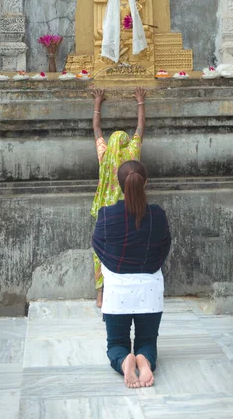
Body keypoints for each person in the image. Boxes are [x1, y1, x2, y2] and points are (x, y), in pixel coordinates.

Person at [92, 160, 171, 388]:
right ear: (145, 182)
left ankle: (125, 360)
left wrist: (116, 265)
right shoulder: (158, 215)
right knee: (147, 342)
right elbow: (165, 246)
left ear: (119, 185)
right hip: (150, 290)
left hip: (117, 292)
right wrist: (149, 264)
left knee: (116, 344)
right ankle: (144, 361)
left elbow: (97, 245)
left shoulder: (106, 215)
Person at [91, 86, 146, 308]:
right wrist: (140, 102)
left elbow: (96, 130)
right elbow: (140, 128)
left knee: (101, 253)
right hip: (129, 207)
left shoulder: (105, 155)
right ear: (124, 143)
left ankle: (100, 296)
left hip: (105, 209)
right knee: (129, 246)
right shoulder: (132, 153)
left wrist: (97, 103)